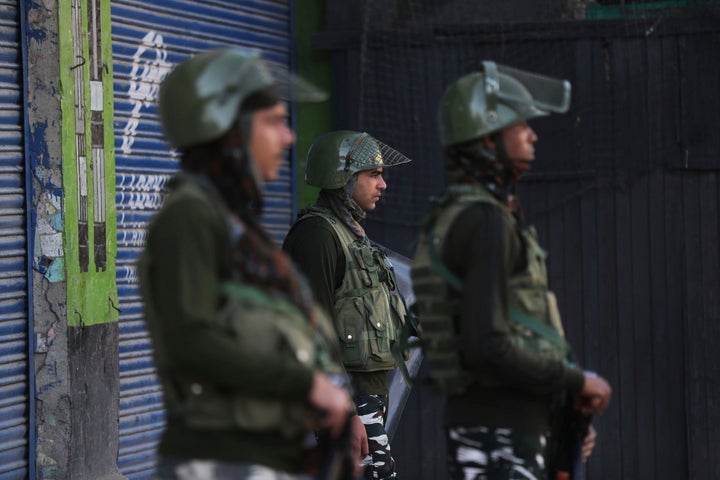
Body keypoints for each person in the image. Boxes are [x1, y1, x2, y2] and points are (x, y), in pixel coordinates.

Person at [139, 49, 355, 480]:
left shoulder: (238, 225)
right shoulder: (190, 216)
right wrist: (307, 385)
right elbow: (192, 342)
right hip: (217, 461)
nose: (289, 137)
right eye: (274, 122)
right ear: (229, 130)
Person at [411, 62, 612, 479]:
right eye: (521, 126)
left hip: (497, 426)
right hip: (500, 432)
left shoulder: (459, 214)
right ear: (488, 138)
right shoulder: (486, 221)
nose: (533, 135)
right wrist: (576, 381)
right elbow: (488, 344)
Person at [283, 131, 412, 479]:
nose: (383, 184)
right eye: (373, 174)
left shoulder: (349, 232)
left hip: (365, 403)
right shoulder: (316, 236)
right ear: (342, 177)